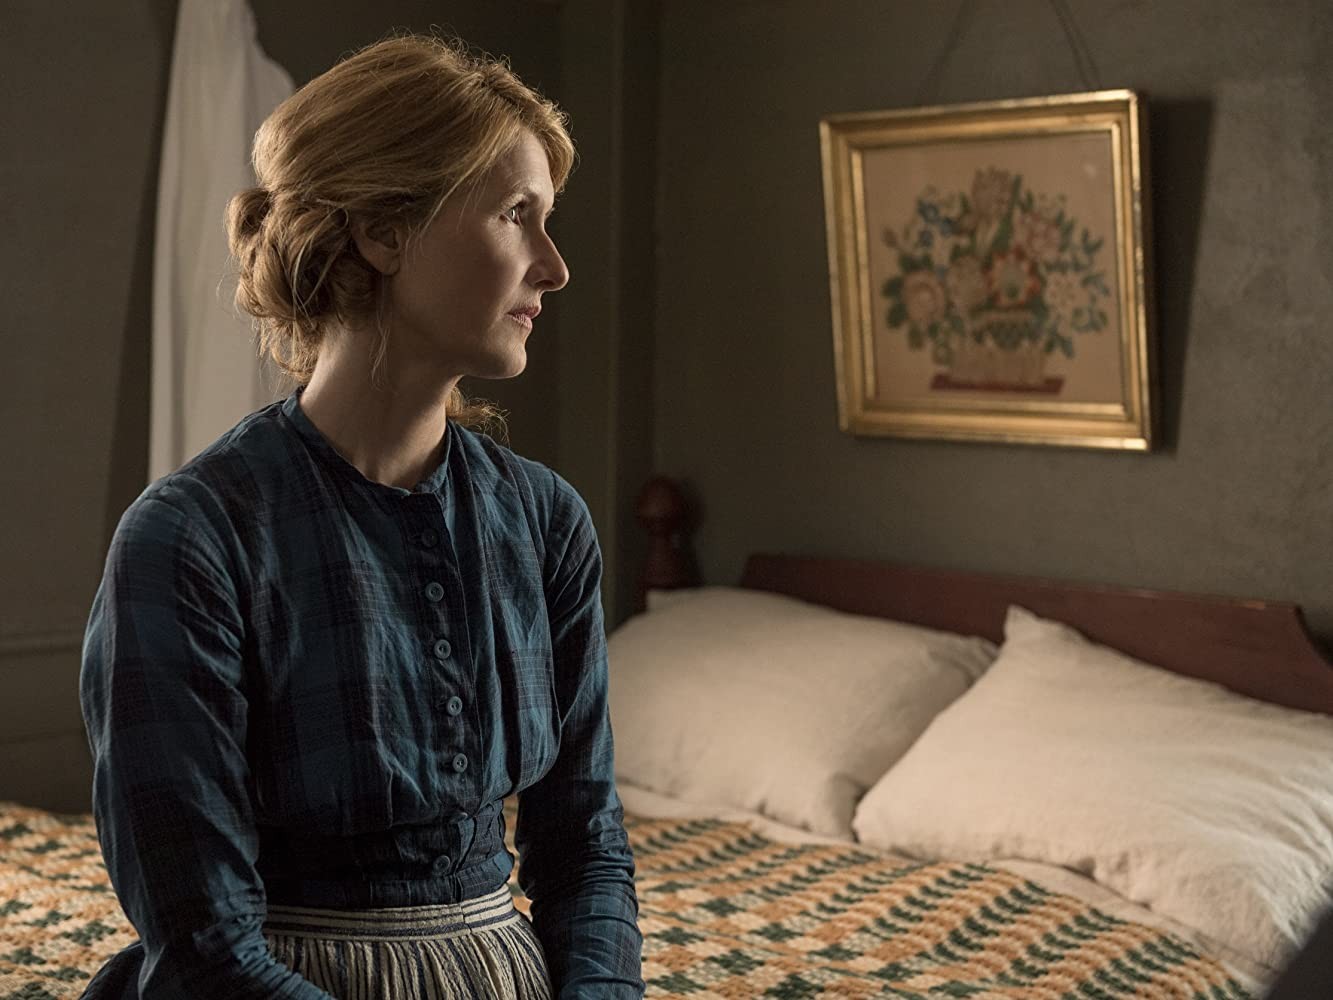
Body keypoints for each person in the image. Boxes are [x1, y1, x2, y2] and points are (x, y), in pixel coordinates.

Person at [78, 33, 644, 999]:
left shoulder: (546, 521)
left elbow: (585, 846)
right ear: (385, 233)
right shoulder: (192, 538)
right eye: (516, 215)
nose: (553, 267)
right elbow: (204, 939)